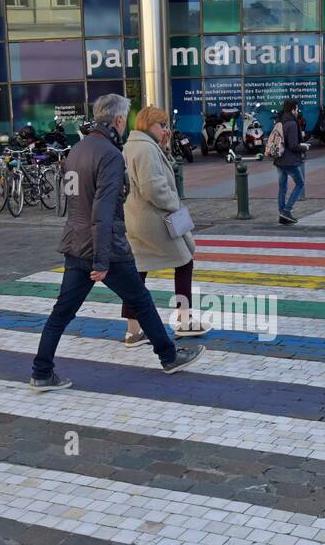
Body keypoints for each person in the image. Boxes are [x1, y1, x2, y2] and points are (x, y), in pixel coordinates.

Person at [29, 93, 205, 391]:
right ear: (119, 119)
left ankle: (41, 371)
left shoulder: (77, 150)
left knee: (62, 311)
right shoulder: (110, 154)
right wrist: (100, 260)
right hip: (106, 247)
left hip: (76, 243)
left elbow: (73, 205)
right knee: (141, 300)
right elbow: (104, 209)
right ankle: (169, 356)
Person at [120, 105, 209, 345]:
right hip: (155, 219)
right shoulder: (146, 149)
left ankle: (133, 329)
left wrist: (163, 147)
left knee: (137, 272)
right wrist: (175, 203)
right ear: (149, 124)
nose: (165, 129)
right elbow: (153, 187)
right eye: (162, 125)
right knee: (184, 261)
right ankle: (184, 320)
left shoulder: (133, 145)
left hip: (136, 217)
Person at [273, 99, 308, 225]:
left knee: (282, 187)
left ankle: (282, 215)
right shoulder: (292, 123)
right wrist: (304, 147)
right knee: (300, 183)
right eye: (297, 109)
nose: (298, 111)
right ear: (293, 109)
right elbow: (293, 145)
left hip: (279, 159)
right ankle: (286, 211)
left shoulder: (280, 121)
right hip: (289, 160)